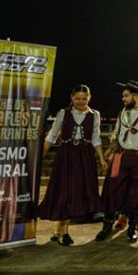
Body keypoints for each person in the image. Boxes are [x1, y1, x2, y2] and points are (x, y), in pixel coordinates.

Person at [96, 82, 138, 242]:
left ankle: (132, 228)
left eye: (126, 95)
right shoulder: (123, 112)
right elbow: (118, 132)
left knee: (137, 194)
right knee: (112, 189)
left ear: (136, 96)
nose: (123, 99)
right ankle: (107, 226)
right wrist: (111, 149)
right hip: (121, 156)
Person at [39, 84, 105, 245]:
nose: (81, 102)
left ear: (89, 98)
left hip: (85, 157)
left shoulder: (94, 115)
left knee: (74, 193)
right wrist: (40, 156)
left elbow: (96, 138)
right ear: (72, 98)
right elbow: (51, 136)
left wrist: (102, 159)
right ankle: (63, 232)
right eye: (77, 98)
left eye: (84, 98)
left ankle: (59, 231)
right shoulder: (63, 113)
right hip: (66, 156)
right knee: (63, 191)